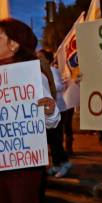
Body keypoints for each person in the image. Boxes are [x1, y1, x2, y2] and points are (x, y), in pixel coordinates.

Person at [0, 18, 60, 203]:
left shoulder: (31, 75)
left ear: (15, 44)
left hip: (23, 163)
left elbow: (52, 121)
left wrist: (48, 109)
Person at [37, 49, 72, 178]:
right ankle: (57, 165)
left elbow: (59, 86)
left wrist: (45, 87)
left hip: (59, 110)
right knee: (52, 140)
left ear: (47, 59)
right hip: (49, 112)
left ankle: (65, 163)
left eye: (40, 57)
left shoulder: (52, 71)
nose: (37, 59)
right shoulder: (42, 72)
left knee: (55, 140)